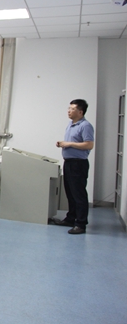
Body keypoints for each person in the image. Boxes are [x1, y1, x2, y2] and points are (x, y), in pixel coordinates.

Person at [51, 99, 95, 235]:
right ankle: (70, 219)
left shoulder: (86, 126)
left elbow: (89, 145)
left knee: (79, 194)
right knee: (70, 193)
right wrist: (63, 143)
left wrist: (69, 144)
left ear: (80, 112)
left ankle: (81, 224)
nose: (69, 111)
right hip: (69, 162)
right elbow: (74, 142)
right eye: (69, 108)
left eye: (72, 109)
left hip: (78, 164)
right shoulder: (71, 125)